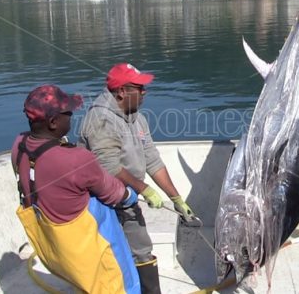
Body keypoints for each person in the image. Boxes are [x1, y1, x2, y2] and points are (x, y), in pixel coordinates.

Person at [79, 63, 196, 294]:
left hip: (128, 197)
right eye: (139, 88)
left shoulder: (137, 118)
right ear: (122, 91)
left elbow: (152, 160)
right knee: (111, 254)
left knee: (141, 248)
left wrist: (176, 198)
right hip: (102, 202)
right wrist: (145, 189)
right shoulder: (101, 119)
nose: (145, 92)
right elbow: (108, 165)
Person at [12, 84, 141, 293]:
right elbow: (114, 193)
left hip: (55, 252)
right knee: (123, 284)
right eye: (68, 113)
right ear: (53, 122)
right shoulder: (77, 159)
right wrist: (131, 195)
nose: (72, 117)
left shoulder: (19, 145)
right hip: (88, 252)